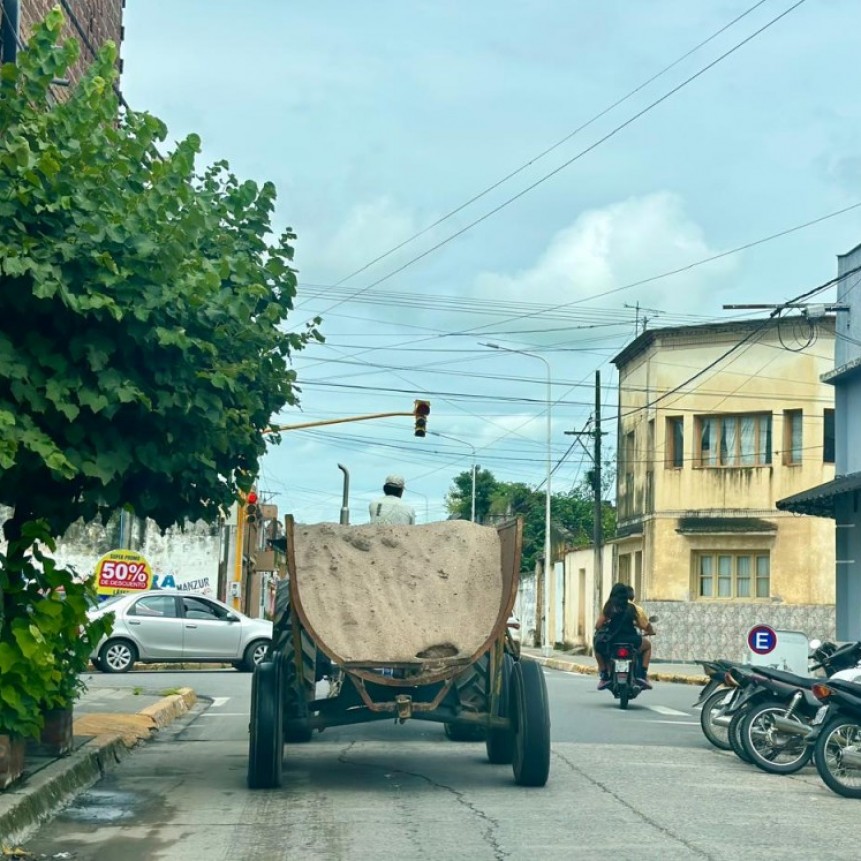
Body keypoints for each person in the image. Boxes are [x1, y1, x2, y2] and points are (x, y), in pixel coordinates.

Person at [593, 582, 651, 691]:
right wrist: (646, 629)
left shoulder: (609, 607)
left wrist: (606, 624)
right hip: (631, 640)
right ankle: (643, 674)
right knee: (648, 646)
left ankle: (604, 675)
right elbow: (642, 625)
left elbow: (598, 625)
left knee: (597, 649)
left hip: (613, 640)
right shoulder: (631, 607)